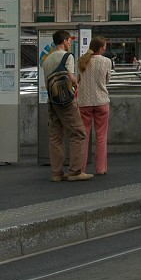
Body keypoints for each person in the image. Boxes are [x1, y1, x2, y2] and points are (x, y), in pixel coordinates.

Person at [43, 30, 93, 182]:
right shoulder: (67, 56)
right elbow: (71, 76)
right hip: (65, 100)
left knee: (56, 137)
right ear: (64, 41)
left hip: (52, 100)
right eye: (69, 40)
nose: (70, 43)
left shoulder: (47, 59)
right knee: (78, 133)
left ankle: (56, 173)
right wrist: (77, 83)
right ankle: (75, 171)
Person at [77, 36, 111, 176]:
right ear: (101, 48)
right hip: (101, 101)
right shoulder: (106, 61)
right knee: (101, 137)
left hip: (84, 102)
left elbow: (78, 79)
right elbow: (107, 79)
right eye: (105, 46)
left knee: (83, 137)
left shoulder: (82, 61)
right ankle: (100, 168)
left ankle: (81, 169)